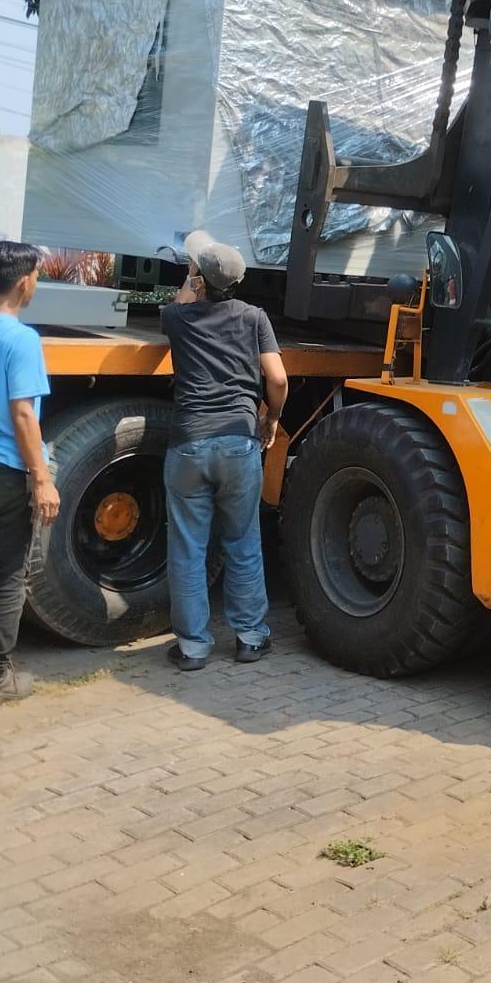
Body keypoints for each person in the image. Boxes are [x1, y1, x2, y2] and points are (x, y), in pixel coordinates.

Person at [160, 229, 288, 669]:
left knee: (188, 549)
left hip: (189, 443)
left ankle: (193, 648)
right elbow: (277, 378)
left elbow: (180, 302)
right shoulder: (255, 318)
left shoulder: (178, 317)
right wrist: (271, 417)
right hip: (239, 442)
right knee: (243, 542)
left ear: (200, 278)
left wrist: (191, 275)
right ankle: (250, 638)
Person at [0, 211, 60, 711]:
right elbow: (23, 414)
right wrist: (41, 479)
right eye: (37, 275)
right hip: (5, 474)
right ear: (24, 283)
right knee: (6, 576)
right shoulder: (21, 340)